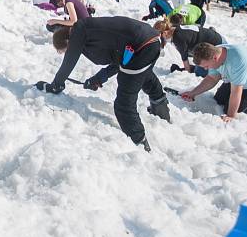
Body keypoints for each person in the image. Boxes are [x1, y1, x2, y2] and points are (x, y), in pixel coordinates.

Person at [35, 17, 170, 151]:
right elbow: (120, 62)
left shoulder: (79, 30)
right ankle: (162, 114)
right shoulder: (92, 34)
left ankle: (141, 145)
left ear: (67, 42)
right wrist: (99, 78)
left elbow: (69, 60)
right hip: (148, 41)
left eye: (63, 50)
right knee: (142, 75)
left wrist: (56, 85)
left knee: (124, 104)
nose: (66, 53)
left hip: (143, 45)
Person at [181, 43, 247, 119]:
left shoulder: (238, 59)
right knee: (218, 100)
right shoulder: (214, 53)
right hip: (239, 81)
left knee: (237, 110)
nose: (205, 69)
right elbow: (212, 78)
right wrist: (192, 93)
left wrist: (230, 116)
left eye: (206, 66)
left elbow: (236, 91)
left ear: (215, 58)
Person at [153, 18, 223, 77]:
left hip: (215, 45)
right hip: (214, 36)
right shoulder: (175, 28)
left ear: (165, 33)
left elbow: (184, 58)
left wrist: (187, 72)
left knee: (199, 73)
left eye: (160, 37)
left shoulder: (178, 38)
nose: (161, 39)